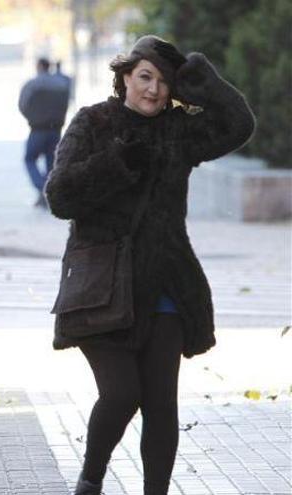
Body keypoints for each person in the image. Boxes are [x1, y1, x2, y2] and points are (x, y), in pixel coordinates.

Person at [44, 35, 255, 494]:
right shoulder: (93, 122)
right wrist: (117, 162)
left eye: (164, 82)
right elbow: (59, 197)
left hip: (164, 285)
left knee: (162, 403)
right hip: (104, 287)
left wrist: (204, 80)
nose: (154, 91)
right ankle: (91, 478)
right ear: (125, 77)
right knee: (122, 394)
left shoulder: (178, 131)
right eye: (145, 77)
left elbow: (239, 124)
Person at [18, 57, 71, 207]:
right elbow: (67, 102)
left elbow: (22, 105)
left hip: (37, 129)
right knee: (51, 163)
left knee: (29, 159)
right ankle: (47, 197)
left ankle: (43, 189)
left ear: (40, 66)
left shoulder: (32, 84)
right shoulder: (62, 84)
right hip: (56, 129)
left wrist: (33, 118)